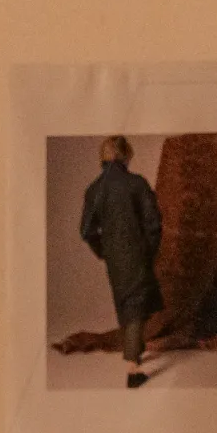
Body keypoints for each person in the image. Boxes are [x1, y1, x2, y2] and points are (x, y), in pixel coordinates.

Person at [78, 136, 163, 390]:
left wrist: (103, 250)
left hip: (114, 257)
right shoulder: (136, 184)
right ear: (125, 155)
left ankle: (135, 350)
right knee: (136, 304)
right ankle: (133, 369)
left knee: (127, 301)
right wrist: (148, 250)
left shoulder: (94, 189)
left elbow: (86, 230)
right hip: (138, 252)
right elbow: (154, 223)